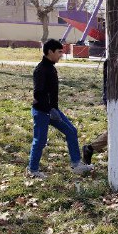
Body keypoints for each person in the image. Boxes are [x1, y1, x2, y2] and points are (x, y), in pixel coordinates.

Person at [27, 39, 93, 179]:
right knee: (40, 140)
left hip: (53, 111)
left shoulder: (51, 67)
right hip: (42, 111)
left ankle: (76, 165)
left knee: (71, 131)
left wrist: (54, 109)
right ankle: (33, 170)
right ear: (50, 52)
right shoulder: (41, 70)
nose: (61, 55)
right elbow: (38, 93)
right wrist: (49, 110)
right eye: (59, 52)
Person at [82, 37, 118, 167]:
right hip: (115, 104)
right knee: (116, 132)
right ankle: (90, 148)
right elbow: (107, 86)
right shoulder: (111, 63)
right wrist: (108, 103)